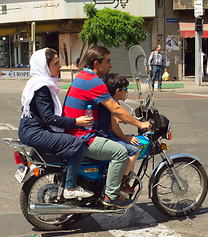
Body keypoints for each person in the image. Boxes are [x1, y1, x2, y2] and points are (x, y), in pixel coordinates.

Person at [62, 46, 151, 209]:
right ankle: (111, 195)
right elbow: (116, 109)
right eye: (108, 61)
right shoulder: (93, 81)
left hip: (74, 133)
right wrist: (139, 124)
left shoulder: (82, 76)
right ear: (97, 63)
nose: (111, 65)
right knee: (121, 152)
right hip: (83, 138)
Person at [18, 48, 94, 200]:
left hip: (30, 130)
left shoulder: (37, 83)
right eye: (56, 63)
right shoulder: (41, 88)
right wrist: (76, 122)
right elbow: (49, 118)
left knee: (66, 140)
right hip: (34, 132)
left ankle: (61, 178)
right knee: (78, 144)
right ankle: (70, 187)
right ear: (45, 67)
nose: (60, 67)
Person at [98, 73, 141, 194]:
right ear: (118, 91)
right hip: (105, 137)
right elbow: (115, 128)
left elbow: (114, 120)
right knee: (134, 150)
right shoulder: (114, 104)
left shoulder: (108, 101)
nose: (126, 92)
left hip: (102, 134)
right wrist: (126, 138)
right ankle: (123, 180)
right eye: (125, 89)